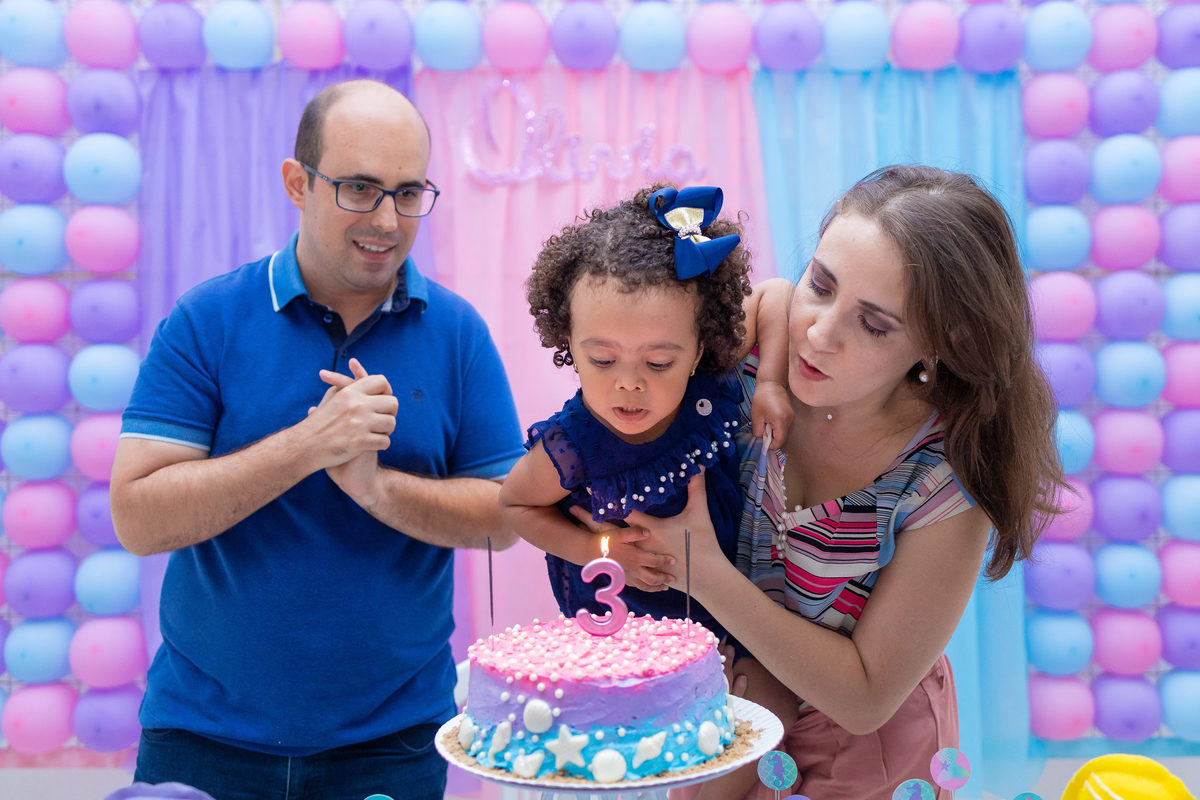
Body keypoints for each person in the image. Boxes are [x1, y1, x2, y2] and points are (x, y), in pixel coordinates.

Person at [109, 80, 525, 800]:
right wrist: (310, 445)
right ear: (297, 184)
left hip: (393, 744)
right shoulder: (207, 319)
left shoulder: (458, 334)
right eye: (360, 188)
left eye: (407, 192)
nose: (388, 220)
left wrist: (377, 488)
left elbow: (505, 517)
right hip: (203, 738)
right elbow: (139, 519)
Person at [601, 166, 1065, 800]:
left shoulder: (944, 481)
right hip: (728, 721)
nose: (819, 333)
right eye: (819, 285)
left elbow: (866, 697)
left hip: (867, 757)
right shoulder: (751, 363)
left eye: (873, 325)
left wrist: (704, 572)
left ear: (942, 343)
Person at [498, 185, 800, 753]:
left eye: (659, 362)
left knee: (750, 731)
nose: (629, 383)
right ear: (568, 343)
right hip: (629, 622)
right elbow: (515, 505)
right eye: (602, 359)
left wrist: (772, 383)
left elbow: (779, 295)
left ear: (699, 347)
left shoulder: (708, 388)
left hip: (723, 599)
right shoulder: (575, 444)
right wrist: (597, 550)